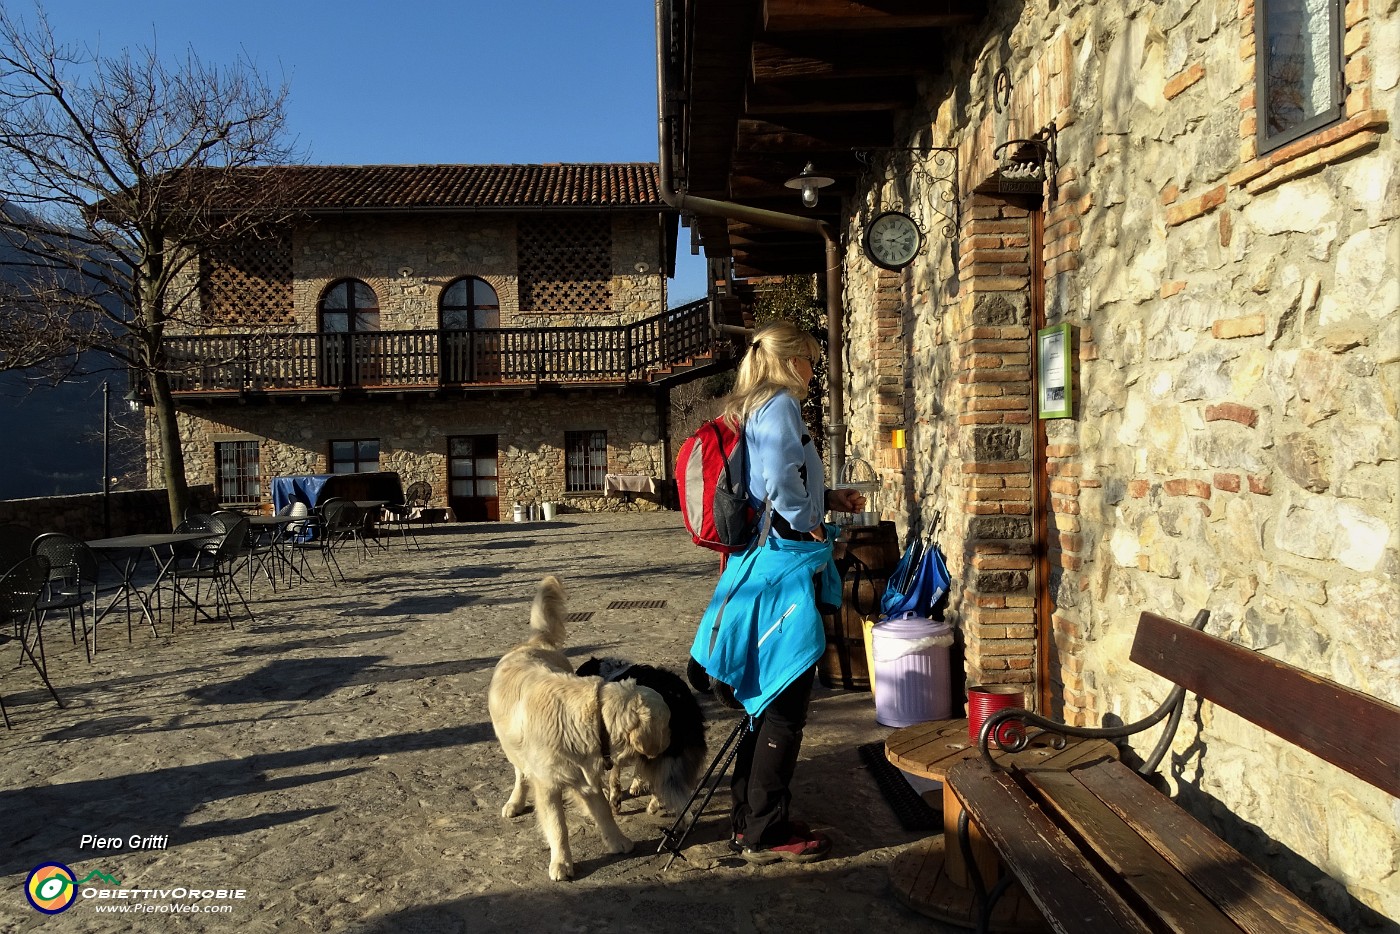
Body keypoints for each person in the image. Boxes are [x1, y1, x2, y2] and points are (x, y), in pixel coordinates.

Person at [689, 320, 866, 864]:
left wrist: (828, 499)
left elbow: (772, 481)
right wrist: (809, 521)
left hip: (761, 564)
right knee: (786, 706)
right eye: (811, 358)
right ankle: (765, 831)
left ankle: (751, 819)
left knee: (763, 704)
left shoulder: (754, 407)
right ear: (791, 361)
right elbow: (781, 483)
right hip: (785, 571)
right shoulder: (782, 405)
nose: (814, 368)